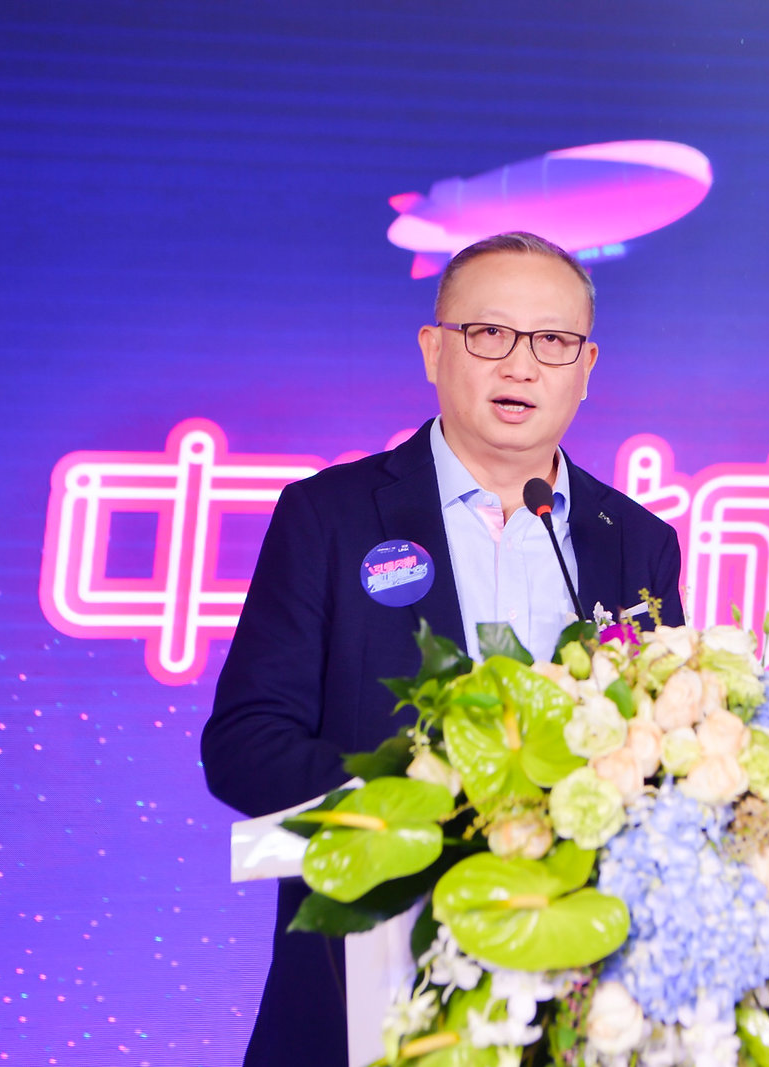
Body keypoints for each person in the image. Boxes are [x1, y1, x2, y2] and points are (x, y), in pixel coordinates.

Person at [202, 231, 684, 1067]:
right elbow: (245, 745)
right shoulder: (330, 517)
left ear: (586, 366)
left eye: (553, 340)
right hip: (361, 994)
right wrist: (434, 801)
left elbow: (666, 747)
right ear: (433, 348)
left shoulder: (635, 541)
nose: (521, 365)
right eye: (490, 333)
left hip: (580, 1004)